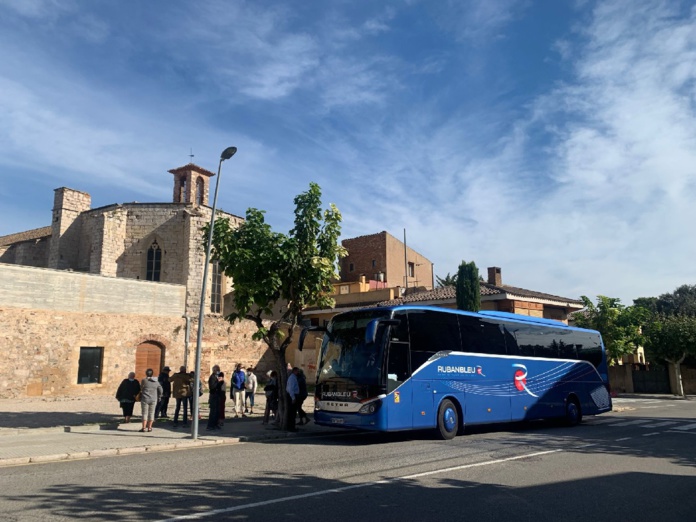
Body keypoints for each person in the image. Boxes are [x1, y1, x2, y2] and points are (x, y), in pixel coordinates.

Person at [139, 368, 163, 432]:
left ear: (146, 373)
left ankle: (143, 427)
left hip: (145, 398)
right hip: (154, 398)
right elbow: (161, 390)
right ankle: (150, 427)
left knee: (144, 413)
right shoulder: (156, 382)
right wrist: (159, 396)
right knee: (152, 413)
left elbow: (141, 388)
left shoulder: (144, 380)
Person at [206, 365, 222, 430]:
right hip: (213, 396)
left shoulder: (217, 377)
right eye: (216, 370)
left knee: (217, 411)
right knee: (213, 412)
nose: (218, 371)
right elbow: (212, 387)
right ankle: (210, 425)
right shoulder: (212, 377)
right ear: (214, 371)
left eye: (218, 370)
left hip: (218, 396)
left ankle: (216, 424)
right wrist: (218, 382)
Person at [286, 367, 300, 432]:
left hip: (293, 395)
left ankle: (291, 426)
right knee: (292, 412)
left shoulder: (294, 377)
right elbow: (291, 389)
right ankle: (291, 427)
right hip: (292, 396)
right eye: (297, 371)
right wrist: (293, 398)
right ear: (294, 371)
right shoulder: (292, 378)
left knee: (293, 412)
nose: (298, 373)